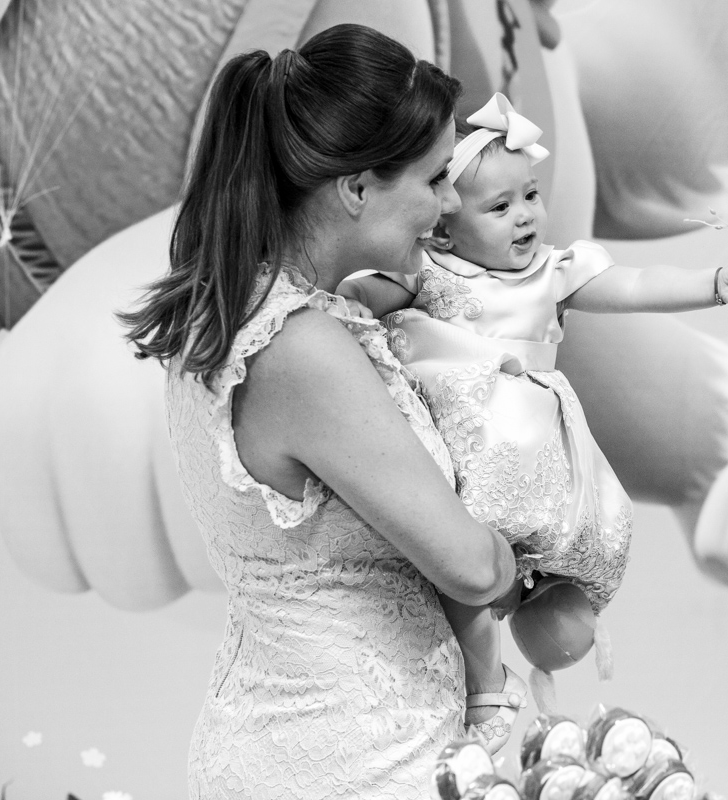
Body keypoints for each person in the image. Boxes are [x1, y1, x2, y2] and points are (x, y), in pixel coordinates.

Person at [118, 25, 523, 799]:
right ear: (358, 187)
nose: (449, 205)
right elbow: (470, 567)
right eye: (436, 178)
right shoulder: (300, 347)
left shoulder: (228, 313)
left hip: (290, 744)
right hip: (355, 766)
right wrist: (519, 550)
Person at [337, 93, 728, 751]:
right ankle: (482, 679)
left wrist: (713, 284)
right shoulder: (428, 271)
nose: (525, 215)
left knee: (537, 558)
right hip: (459, 450)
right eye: (500, 207)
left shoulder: (553, 272)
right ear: (443, 228)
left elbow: (636, 286)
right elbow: (362, 292)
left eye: (530, 195)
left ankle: (541, 613)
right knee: (462, 563)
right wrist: (345, 296)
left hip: (531, 450)